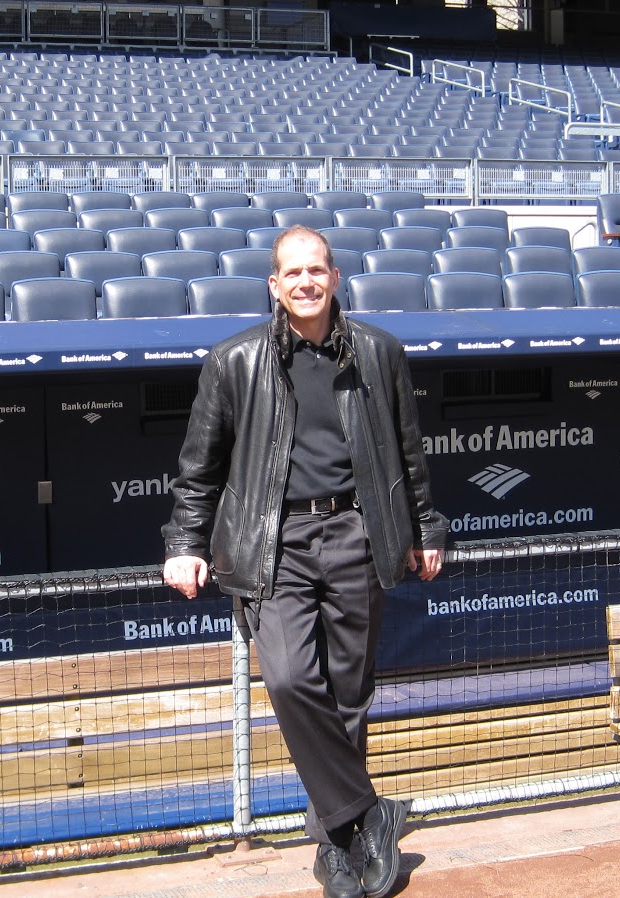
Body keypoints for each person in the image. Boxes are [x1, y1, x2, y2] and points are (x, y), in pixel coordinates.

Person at [162, 225, 447, 898]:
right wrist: (185, 543)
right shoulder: (235, 361)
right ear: (274, 284)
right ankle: (371, 811)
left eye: (316, 270)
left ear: (335, 277)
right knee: (292, 680)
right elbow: (199, 468)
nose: (306, 282)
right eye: (292, 273)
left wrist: (426, 526)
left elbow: (410, 454)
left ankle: (337, 852)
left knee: (349, 696)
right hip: (275, 543)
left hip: (357, 531)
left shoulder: (380, 353)